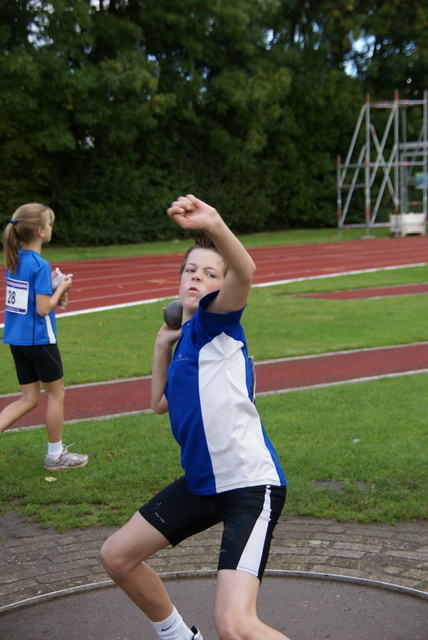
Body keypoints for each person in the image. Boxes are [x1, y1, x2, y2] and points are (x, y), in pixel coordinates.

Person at [100, 194, 290, 640]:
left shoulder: (215, 325)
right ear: (178, 279)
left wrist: (215, 223)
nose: (198, 278)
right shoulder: (186, 341)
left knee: (236, 626)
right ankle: (180, 636)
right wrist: (160, 345)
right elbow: (159, 403)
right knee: (117, 556)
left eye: (210, 274)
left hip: (247, 483)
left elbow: (246, 272)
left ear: (220, 289)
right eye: (191, 270)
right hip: (204, 484)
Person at [1, 203, 88, 471]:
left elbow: (26, 302)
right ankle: (55, 455)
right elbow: (42, 309)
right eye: (49, 224)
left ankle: (55, 454)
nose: (52, 228)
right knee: (56, 394)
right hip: (40, 340)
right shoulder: (40, 264)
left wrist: (51, 288)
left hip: (16, 340)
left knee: (28, 398)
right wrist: (61, 287)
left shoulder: (14, 259)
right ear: (40, 231)